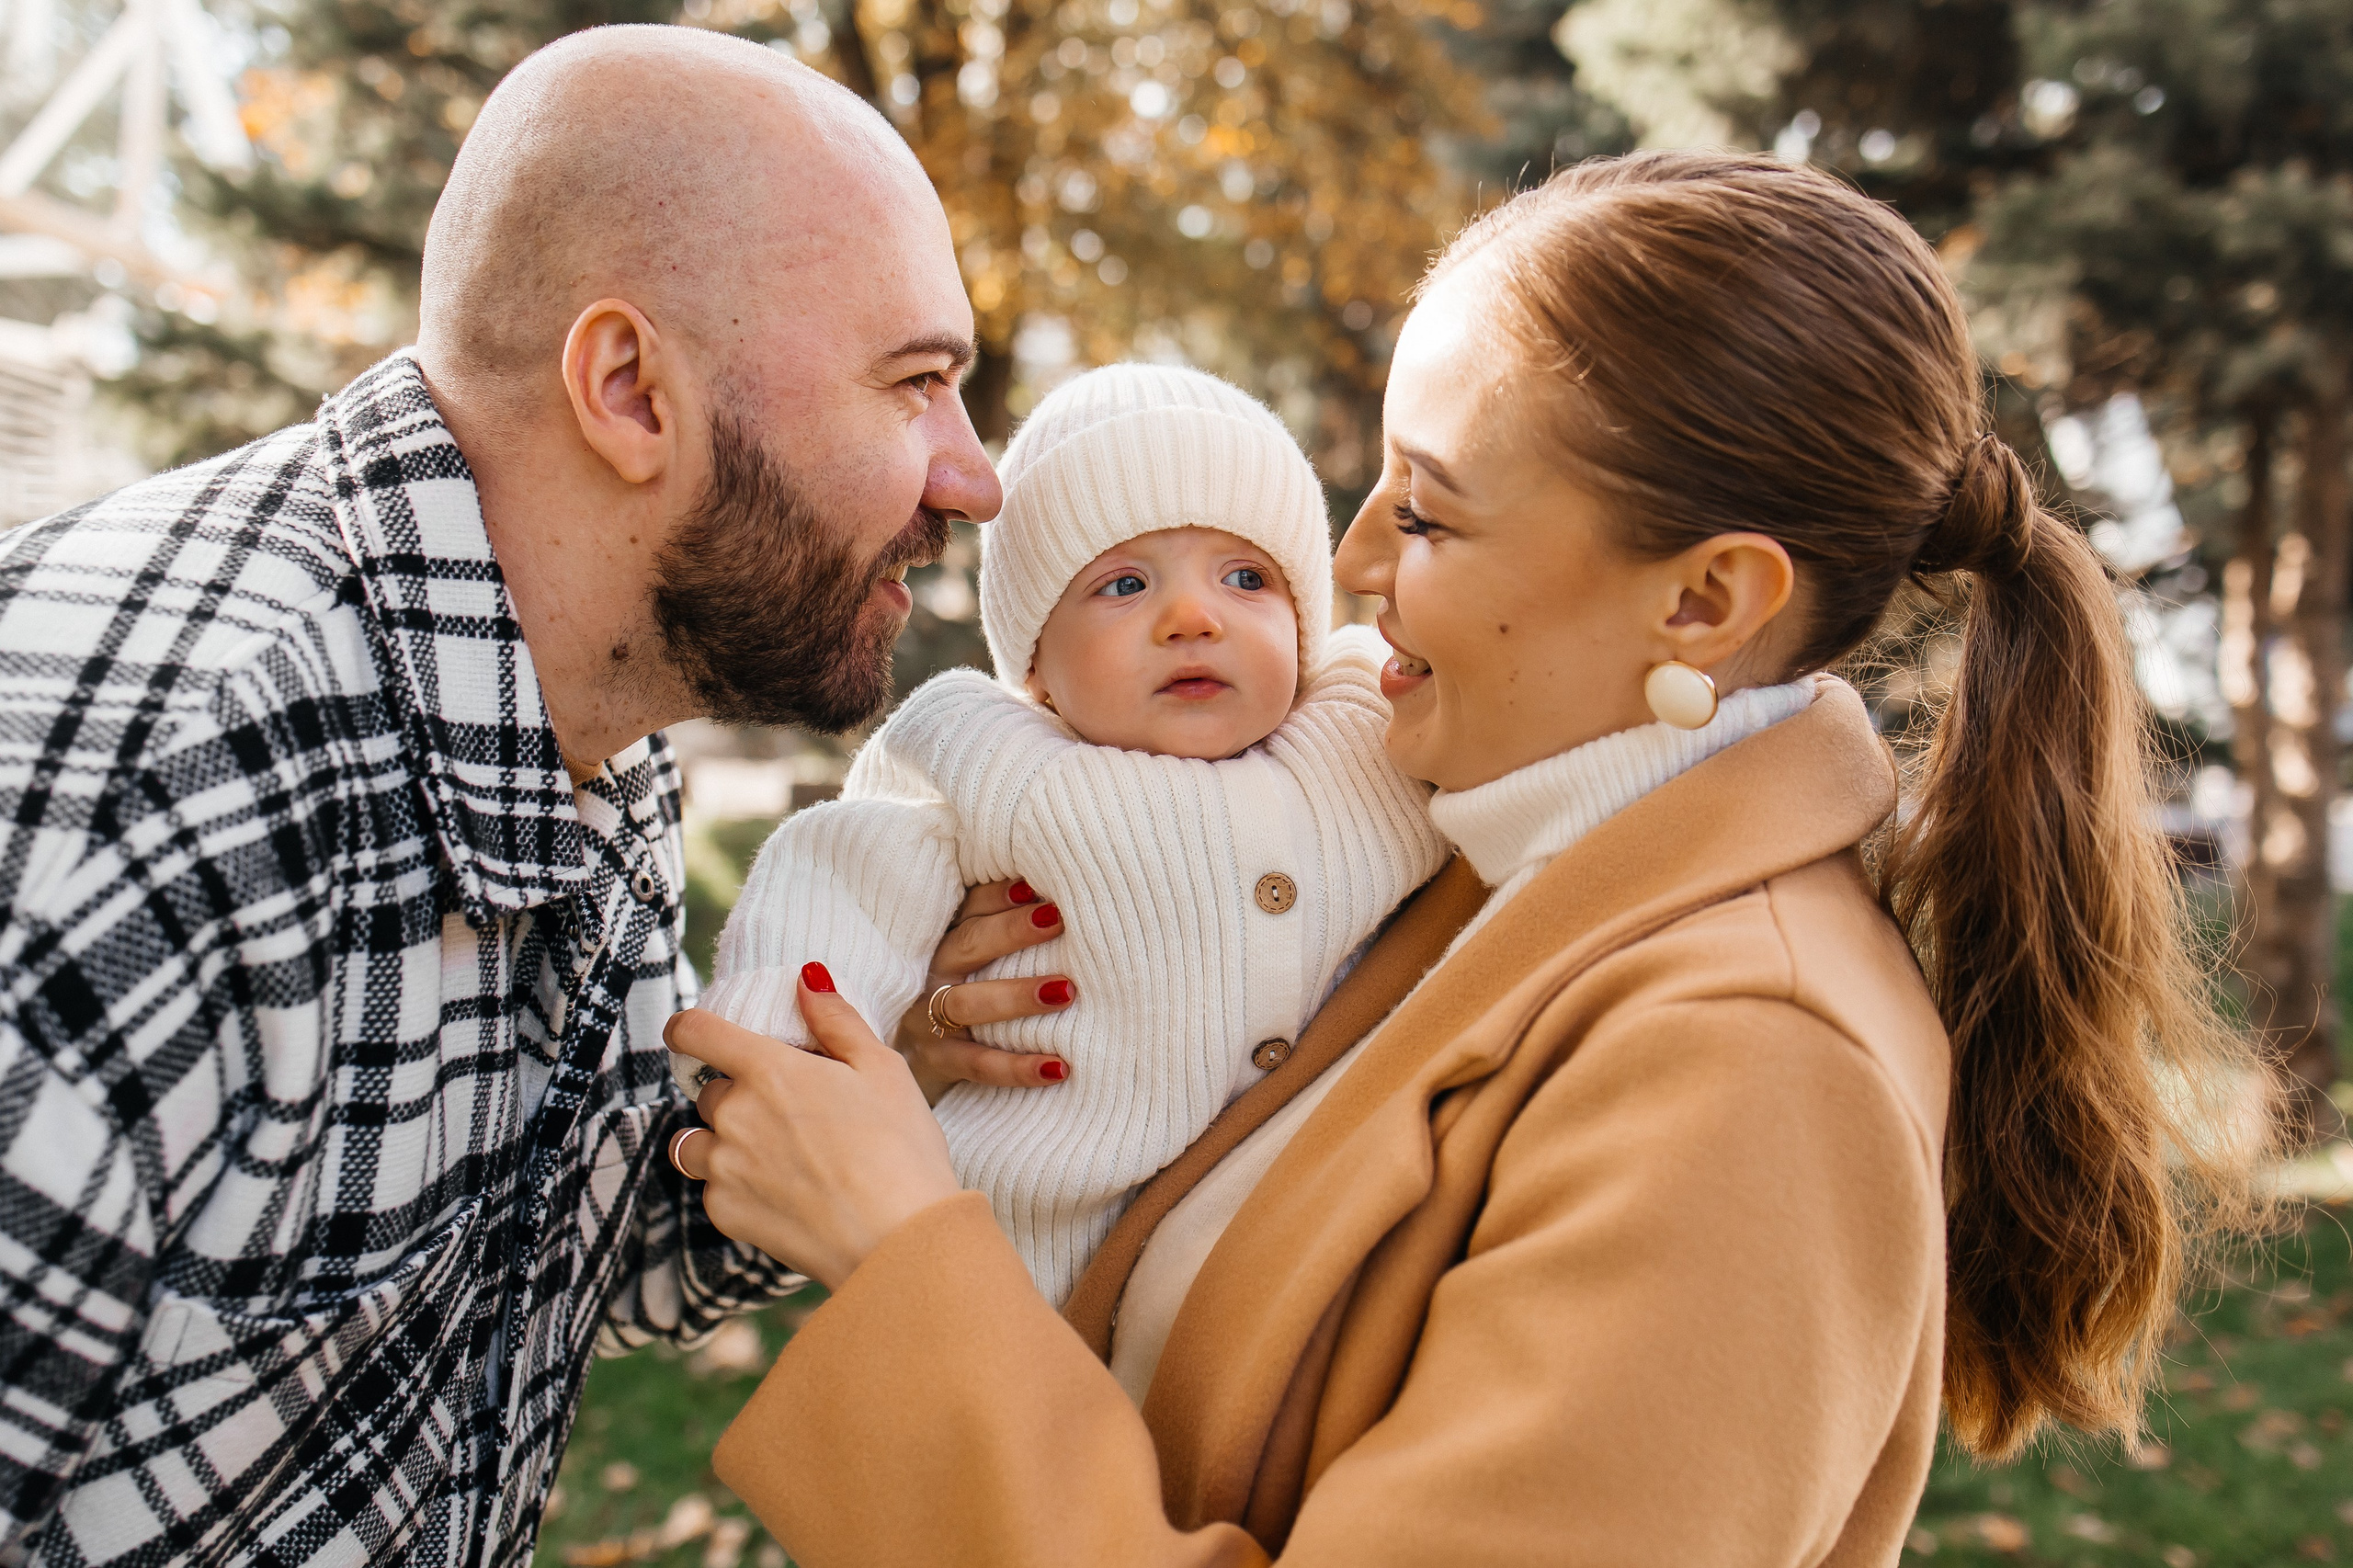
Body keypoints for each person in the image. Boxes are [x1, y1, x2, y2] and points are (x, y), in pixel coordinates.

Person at [666, 151, 2271, 1564]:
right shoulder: (1493, 865)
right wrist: (968, 1043)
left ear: (1702, 605)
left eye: (1424, 516)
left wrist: (901, 1251)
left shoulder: (1752, 1071)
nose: (1347, 567)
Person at [0, 27, 999, 1568]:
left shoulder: (600, 699)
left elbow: (580, 1257)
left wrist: (869, 1087)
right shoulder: (152, 814)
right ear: (629, 391)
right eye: (915, 385)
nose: (971, 476)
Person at [680, 364, 1448, 1306]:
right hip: (1036, 1277)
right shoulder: (992, 758)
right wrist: (781, 1040)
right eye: (1123, 584)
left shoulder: (1366, 721)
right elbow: (842, 872)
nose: (1193, 616)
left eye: (1247, 576)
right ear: (1035, 662)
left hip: (1316, 1260)